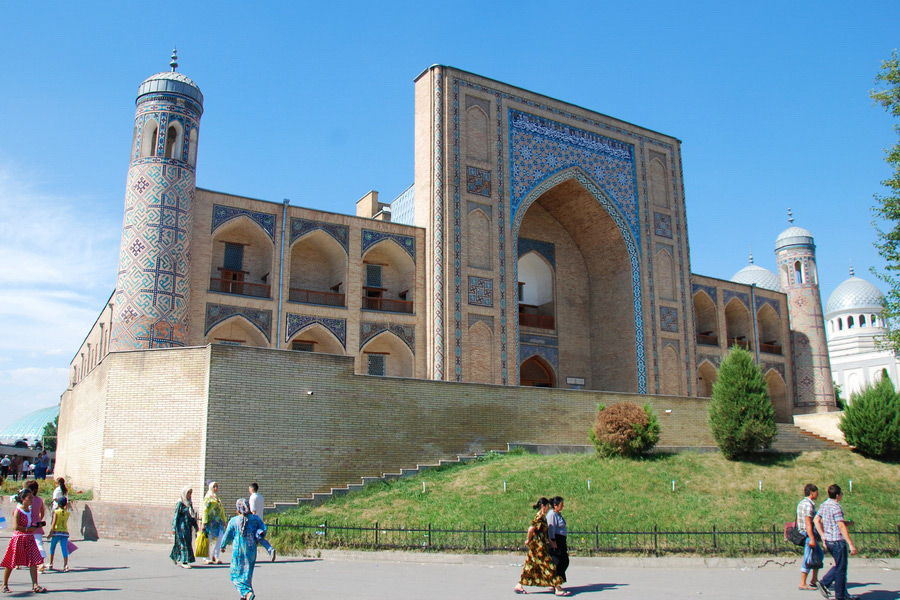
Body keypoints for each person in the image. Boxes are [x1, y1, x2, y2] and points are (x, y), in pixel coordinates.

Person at [514, 497, 568, 596]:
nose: (548, 508)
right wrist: (528, 540)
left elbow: (544, 532)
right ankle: (557, 588)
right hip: (538, 548)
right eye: (547, 506)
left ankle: (519, 585)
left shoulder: (543, 517)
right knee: (549, 566)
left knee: (529, 567)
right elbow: (531, 529)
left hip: (540, 546)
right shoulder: (538, 517)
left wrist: (551, 542)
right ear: (543, 506)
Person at [814, 484, 857, 600]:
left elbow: (817, 520)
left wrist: (823, 535)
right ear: (838, 495)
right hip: (837, 541)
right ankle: (827, 584)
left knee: (840, 567)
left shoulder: (824, 505)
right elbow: (841, 526)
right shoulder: (836, 507)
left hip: (829, 540)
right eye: (841, 493)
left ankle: (843, 594)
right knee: (841, 569)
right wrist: (851, 544)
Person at [0, 487, 47, 593]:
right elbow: (15, 526)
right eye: (29, 498)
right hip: (19, 539)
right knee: (12, 562)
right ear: (23, 499)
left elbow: (29, 523)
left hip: (29, 538)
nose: (31, 500)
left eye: (32, 497)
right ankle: (4, 584)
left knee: (34, 561)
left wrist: (35, 526)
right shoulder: (18, 511)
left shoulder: (29, 511)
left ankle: (35, 585)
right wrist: (28, 529)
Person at [221, 498, 266, 600]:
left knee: (235, 574)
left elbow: (227, 534)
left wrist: (223, 546)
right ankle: (244, 596)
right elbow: (264, 529)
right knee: (247, 574)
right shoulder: (255, 519)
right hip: (251, 550)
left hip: (239, 551)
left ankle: (247, 593)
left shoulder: (234, 520)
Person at [798, 483, 824, 591]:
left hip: (807, 533)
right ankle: (802, 583)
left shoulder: (802, 503)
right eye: (816, 491)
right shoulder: (808, 505)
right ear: (812, 492)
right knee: (808, 558)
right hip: (808, 534)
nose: (818, 494)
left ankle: (814, 580)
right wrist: (812, 538)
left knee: (819, 555)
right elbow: (808, 522)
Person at [170, 486, 198, 569]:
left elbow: (192, 515)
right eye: (188, 493)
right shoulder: (180, 503)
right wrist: (174, 528)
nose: (189, 495)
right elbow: (176, 516)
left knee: (183, 543)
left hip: (188, 527)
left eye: (190, 493)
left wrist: (195, 525)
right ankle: (184, 561)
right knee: (183, 543)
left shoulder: (189, 503)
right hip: (181, 527)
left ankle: (174, 556)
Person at [248, 483, 276, 561]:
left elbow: (253, 511)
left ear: (252, 489)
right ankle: (269, 550)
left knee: (252, 538)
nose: (249, 490)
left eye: (249, 489)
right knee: (258, 538)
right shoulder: (261, 497)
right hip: (260, 520)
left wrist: (250, 520)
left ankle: (269, 549)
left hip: (254, 521)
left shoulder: (252, 497)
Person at [201, 482, 226, 565]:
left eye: (217, 486)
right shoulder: (208, 497)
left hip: (218, 522)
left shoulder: (218, 499)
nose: (216, 488)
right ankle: (206, 557)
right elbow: (205, 510)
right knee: (208, 539)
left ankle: (216, 555)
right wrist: (204, 523)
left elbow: (221, 510)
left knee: (220, 538)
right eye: (214, 487)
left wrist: (224, 520)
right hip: (209, 522)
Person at [547, 496, 570, 586]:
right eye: (561, 504)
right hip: (556, 541)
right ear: (555, 505)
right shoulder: (552, 514)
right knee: (559, 562)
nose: (562, 506)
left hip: (561, 541)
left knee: (564, 561)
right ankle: (555, 583)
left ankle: (556, 581)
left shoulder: (557, 514)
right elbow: (551, 528)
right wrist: (553, 541)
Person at [26, 481, 47, 572]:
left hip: (28, 524)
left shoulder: (26, 500)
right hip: (37, 524)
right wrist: (39, 518)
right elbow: (42, 511)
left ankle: (18, 563)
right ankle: (41, 562)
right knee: (39, 544)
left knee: (24, 544)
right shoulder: (39, 500)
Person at [47, 497, 71, 572]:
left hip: (56, 532)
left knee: (52, 548)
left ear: (58, 504)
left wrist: (50, 532)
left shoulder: (56, 512)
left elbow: (54, 523)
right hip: (65, 532)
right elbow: (65, 509)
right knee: (64, 549)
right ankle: (65, 565)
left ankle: (51, 563)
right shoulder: (67, 513)